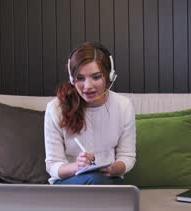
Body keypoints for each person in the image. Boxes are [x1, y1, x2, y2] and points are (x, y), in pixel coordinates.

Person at [44, 42, 136, 185]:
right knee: (94, 179)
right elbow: (52, 165)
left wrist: (112, 168)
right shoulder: (55, 108)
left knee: (102, 181)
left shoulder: (123, 106)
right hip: (69, 182)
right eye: (80, 78)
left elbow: (127, 157)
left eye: (96, 77)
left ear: (109, 76)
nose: (87, 86)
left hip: (109, 180)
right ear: (72, 78)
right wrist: (77, 166)